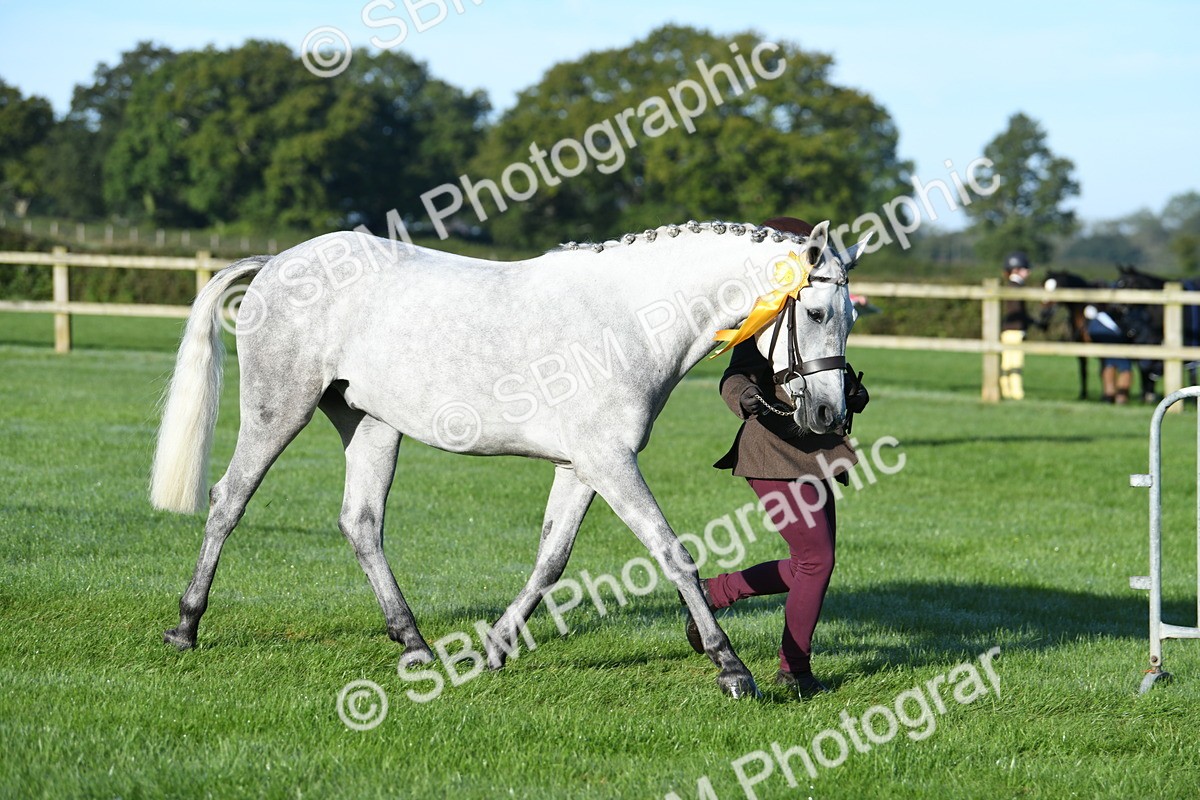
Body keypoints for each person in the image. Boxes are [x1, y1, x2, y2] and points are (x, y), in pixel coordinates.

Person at [683, 216, 869, 699]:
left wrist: (851, 391)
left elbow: (828, 364)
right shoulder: (764, 317)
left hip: (814, 451)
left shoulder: (813, 310)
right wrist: (743, 396)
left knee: (810, 563)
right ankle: (794, 671)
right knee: (817, 560)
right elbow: (734, 374)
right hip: (769, 451)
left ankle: (712, 593)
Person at [1000, 252, 1035, 400]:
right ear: (1016, 270)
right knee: (1015, 362)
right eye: (1025, 269)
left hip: (1008, 330)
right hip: (1014, 330)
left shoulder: (1011, 286)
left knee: (1007, 361)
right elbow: (1017, 311)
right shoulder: (1016, 287)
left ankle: (1006, 390)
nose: (1028, 272)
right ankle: (1016, 392)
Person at [1084, 303, 1134, 403]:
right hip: (1111, 328)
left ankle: (1109, 394)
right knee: (1125, 366)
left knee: (1109, 361)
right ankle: (1120, 397)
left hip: (1098, 324)